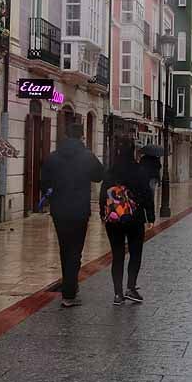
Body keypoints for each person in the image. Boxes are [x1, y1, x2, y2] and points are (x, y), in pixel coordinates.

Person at [40, 124, 104, 307]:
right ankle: (69, 291)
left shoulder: (53, 157)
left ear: (66, 135)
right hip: (79, 211)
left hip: (59, 211)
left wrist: (52, 194)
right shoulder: (87, 156)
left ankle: (70, 285)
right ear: (82, 136)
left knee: (64, 248)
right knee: (76, 250)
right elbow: (99, 175)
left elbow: (43, 183)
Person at [100, 140, 156, 305]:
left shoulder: (111, 171)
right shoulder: (139, 170)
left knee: (117, 256)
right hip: (134, 218)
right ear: (132, 152)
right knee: (135, 253)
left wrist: (102, 215)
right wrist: (150, 217)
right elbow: (147, 195)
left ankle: (118, 294)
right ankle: (130, 288)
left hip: (114, 220)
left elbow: (103, 195)